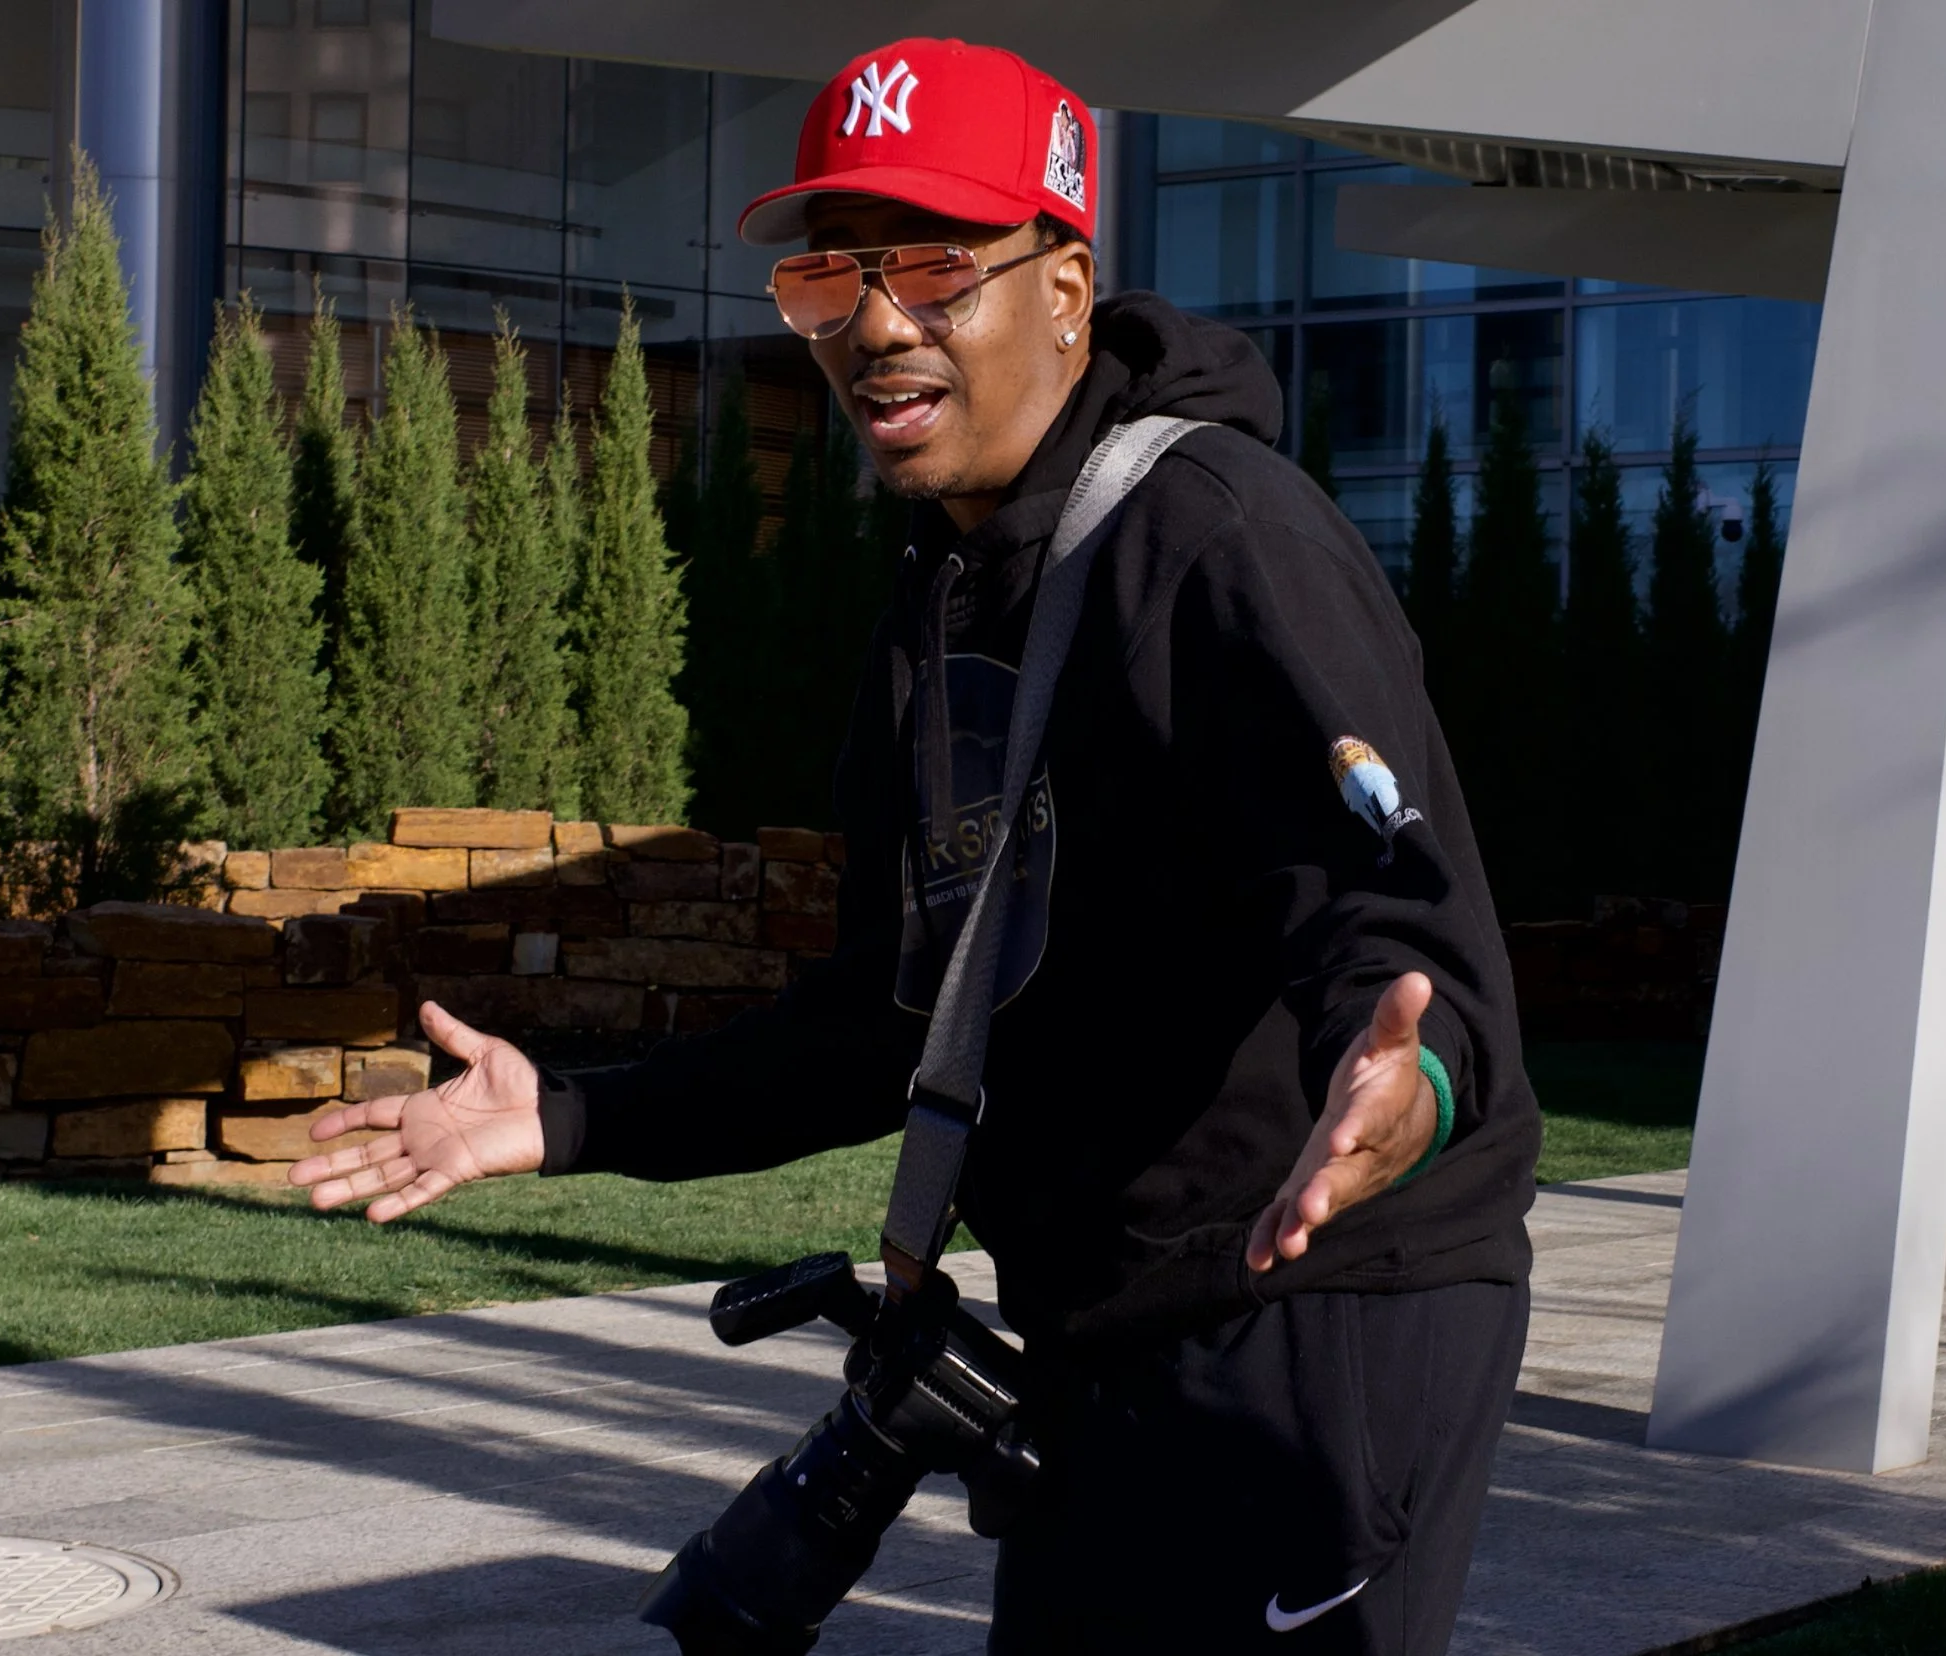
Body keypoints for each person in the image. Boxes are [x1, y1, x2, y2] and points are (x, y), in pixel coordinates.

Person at [292, 36, 1539, 1656]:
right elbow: (887, 1020)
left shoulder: (1220, 537)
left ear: (1067, 286)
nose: (877, 326)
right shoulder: (938, 606)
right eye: (831, 279)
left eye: (938, 270)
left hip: (1317, 1317)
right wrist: (579, 1116)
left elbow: (1391, 909)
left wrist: (1406, 1081)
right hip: (1102, 1337)